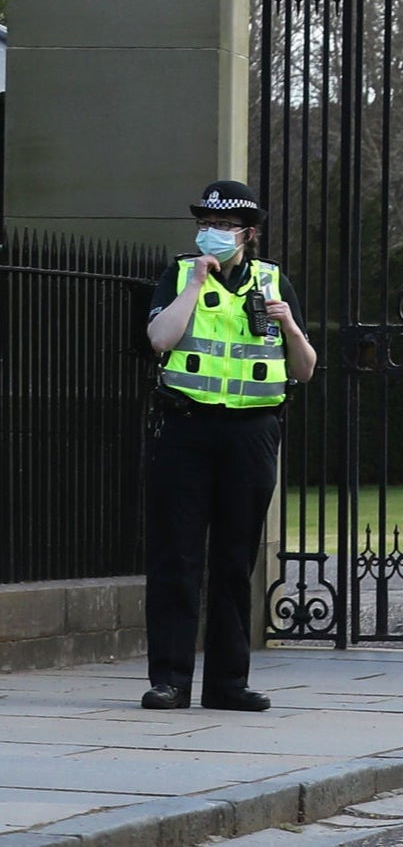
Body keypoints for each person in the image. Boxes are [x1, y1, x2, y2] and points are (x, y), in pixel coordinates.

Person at [140, 178, 315, 711]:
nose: (213, 234)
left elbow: (305, 370)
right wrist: (194, 284)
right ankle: (170, 679)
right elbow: (159, 340)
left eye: (224, 227)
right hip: (186, 429)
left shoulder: (272, 280)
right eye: (206, 225)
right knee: (177, 555)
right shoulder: (178, 273)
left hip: (252, 433)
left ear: (249, 234)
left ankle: (227, 683)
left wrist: (289, 327)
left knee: (235, 559)